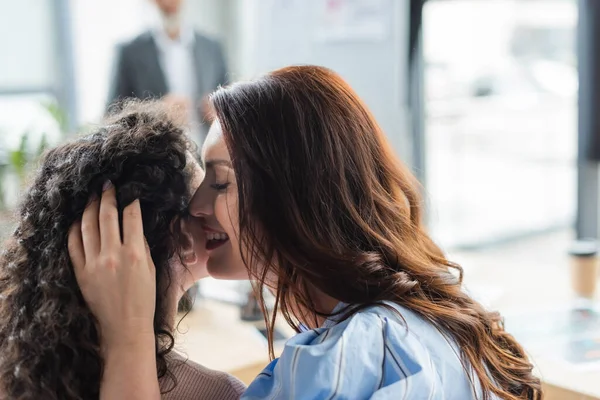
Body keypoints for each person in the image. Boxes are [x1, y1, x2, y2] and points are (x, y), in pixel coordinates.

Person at [68, 66, 542, 399]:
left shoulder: (341, 362)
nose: (197, 205)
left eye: (222, 182)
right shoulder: (422, 321)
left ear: (295, 193)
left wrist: (127, 337)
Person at [0, 101, 244, 400]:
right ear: (183, 240)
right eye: (211, 185)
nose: (213, 206)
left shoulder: (16, 368)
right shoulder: (217, 394)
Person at [107, 0, 228, 146]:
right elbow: (111, 118)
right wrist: (155, 114)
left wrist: (219, 111)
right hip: (156, 158)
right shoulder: (129, 52)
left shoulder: (212, 47)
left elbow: (230, 101)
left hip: (205, 154)